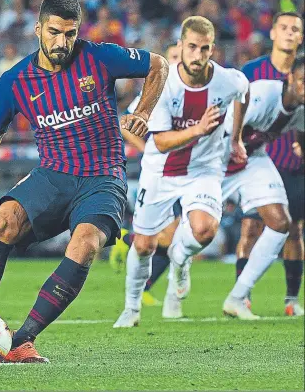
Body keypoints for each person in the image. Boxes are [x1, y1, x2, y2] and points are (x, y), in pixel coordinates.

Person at [0, 0, 169, 363]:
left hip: (102, 177)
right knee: (4, 220)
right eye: (54, 32)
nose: (62, 42)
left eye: (69, 33)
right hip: (53, 175)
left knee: (84, 244)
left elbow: (159, 64)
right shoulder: (15, 80)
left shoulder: (99, 56)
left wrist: (143, 112)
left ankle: (22, 340)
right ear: (38, 29)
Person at [113, 16, 249, 327]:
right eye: (191, 47)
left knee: (204, 230)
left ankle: (180, 258)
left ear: (212, 50)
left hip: (204, 169)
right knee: (144, 244)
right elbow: (160, 142)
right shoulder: (164, 85)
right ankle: (131, 309)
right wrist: (200, 129)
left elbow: (244, 92)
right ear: (180, 47)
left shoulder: (228, 80)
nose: (197, 55)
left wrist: (237, 136)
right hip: (161, 171)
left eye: (204, 49)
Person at [164, 54, 305, 319]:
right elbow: (231, 114)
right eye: (302, 81)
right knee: (199, 233)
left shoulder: (300, 110)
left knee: (280, 223)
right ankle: (179, 263)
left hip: (252, 160)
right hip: (215, 157)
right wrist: (237, 140)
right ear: (290, 78)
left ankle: (238, 297)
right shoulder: (264, 93)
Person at [233, 11, 304, 316]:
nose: (290, 33)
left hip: (293, 162)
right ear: (273, 33)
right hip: (255, 161)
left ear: (300, 37)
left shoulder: (302, 72)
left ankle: (291, 301)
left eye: (296, 30)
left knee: (294, 230)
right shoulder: (253, 71)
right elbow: (234, 109)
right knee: (250, 227)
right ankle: (242, 296)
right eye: (284, 28)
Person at [109, 42, 181, 308]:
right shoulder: (159, 91)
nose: (176, 62)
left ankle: (145, 281)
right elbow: (125, 124)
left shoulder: (195, 91)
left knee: (177, 237)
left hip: (188, 172)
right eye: (171, 57)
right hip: (161, 172)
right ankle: (128, 241)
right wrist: (148, 147)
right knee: (171, 237)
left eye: (178, 57)